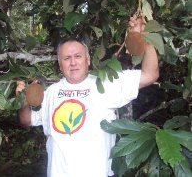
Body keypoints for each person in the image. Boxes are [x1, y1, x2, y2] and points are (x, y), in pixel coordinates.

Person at [16, 14, 159, 177]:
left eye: (78, 56)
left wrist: (144, 37)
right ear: (60, 65)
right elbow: (26, 120)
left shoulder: (106, 82)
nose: (73, 62)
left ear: (88, 60)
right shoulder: (50, 93)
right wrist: (23, 101)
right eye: (66, 58)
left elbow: (150, 75)